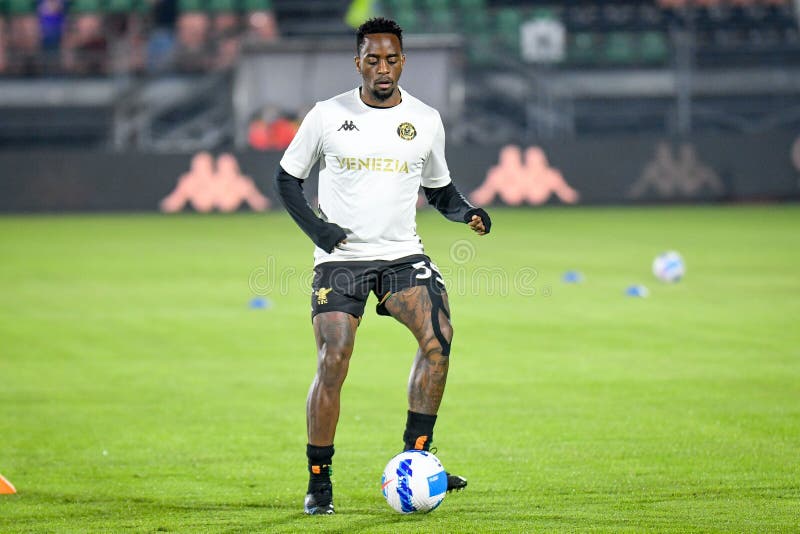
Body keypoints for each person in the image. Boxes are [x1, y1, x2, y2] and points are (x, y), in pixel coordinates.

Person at [274, 17, 492, 515]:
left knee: (439, 341)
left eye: (391, 59)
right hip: (341, 259)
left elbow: (439, 189)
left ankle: (417, 460)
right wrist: (320, 232)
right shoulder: (327, 116)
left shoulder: (425, 118)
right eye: (372, 59)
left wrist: (468, 212)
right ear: (358, 63)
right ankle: (319, 481)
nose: (382, 68)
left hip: (402, 255)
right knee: (335, 358)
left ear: (402, 62)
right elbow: (287, 180)